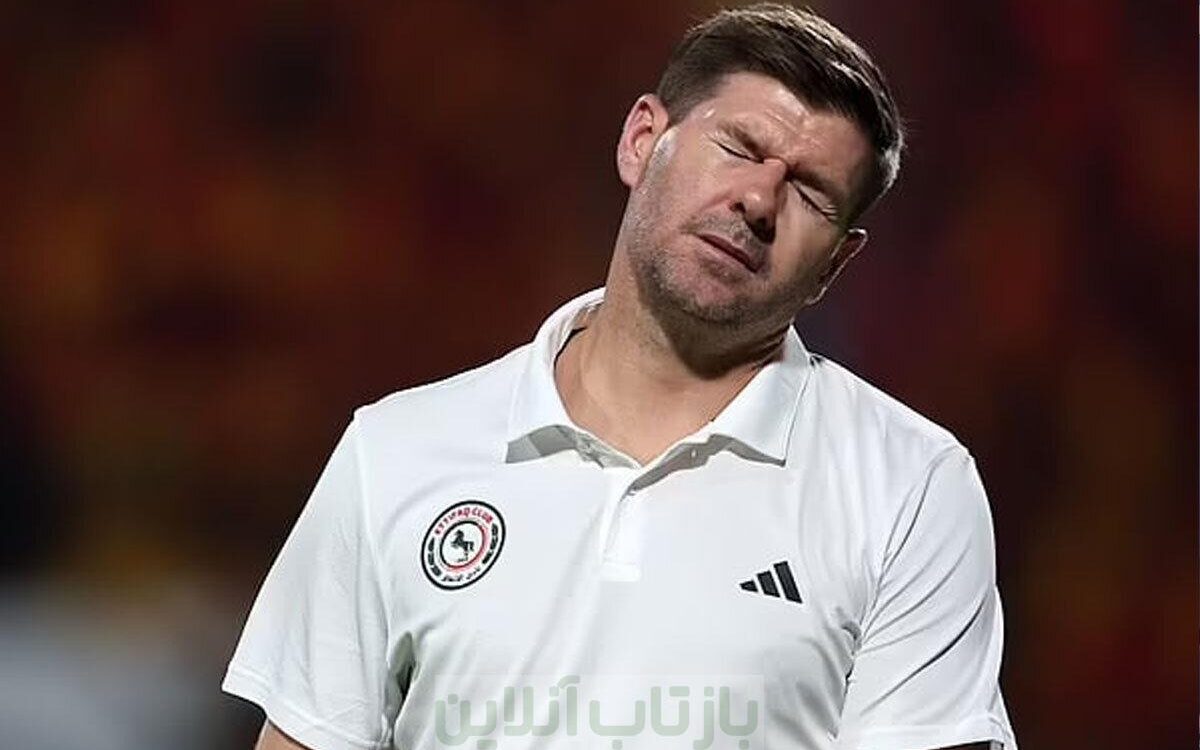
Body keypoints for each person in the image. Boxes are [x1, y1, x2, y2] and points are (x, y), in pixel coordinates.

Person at [222, 4, 1017, 749]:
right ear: (642, 139)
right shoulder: (396, 452)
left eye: (810, 193)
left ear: (835, 265)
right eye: (738, 148)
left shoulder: (909, 488)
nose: (757, 199)